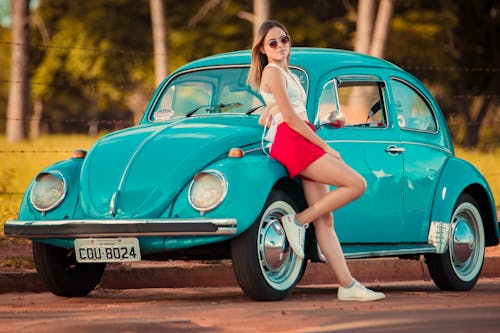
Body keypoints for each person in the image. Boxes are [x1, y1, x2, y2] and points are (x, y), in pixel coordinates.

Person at [247, 20, 385, 302]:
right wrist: (326, 147)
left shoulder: (289, 73)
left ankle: (347, 285)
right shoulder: (273, 72)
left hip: (298, 134)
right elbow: (293, 118)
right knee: (356, 184)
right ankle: (297, 221)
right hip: (294, 138)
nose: (280, 46)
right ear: (262, 49)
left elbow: (279, 110)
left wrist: (268, 112)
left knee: (326, 219)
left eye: (284, 39)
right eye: (272, 43)